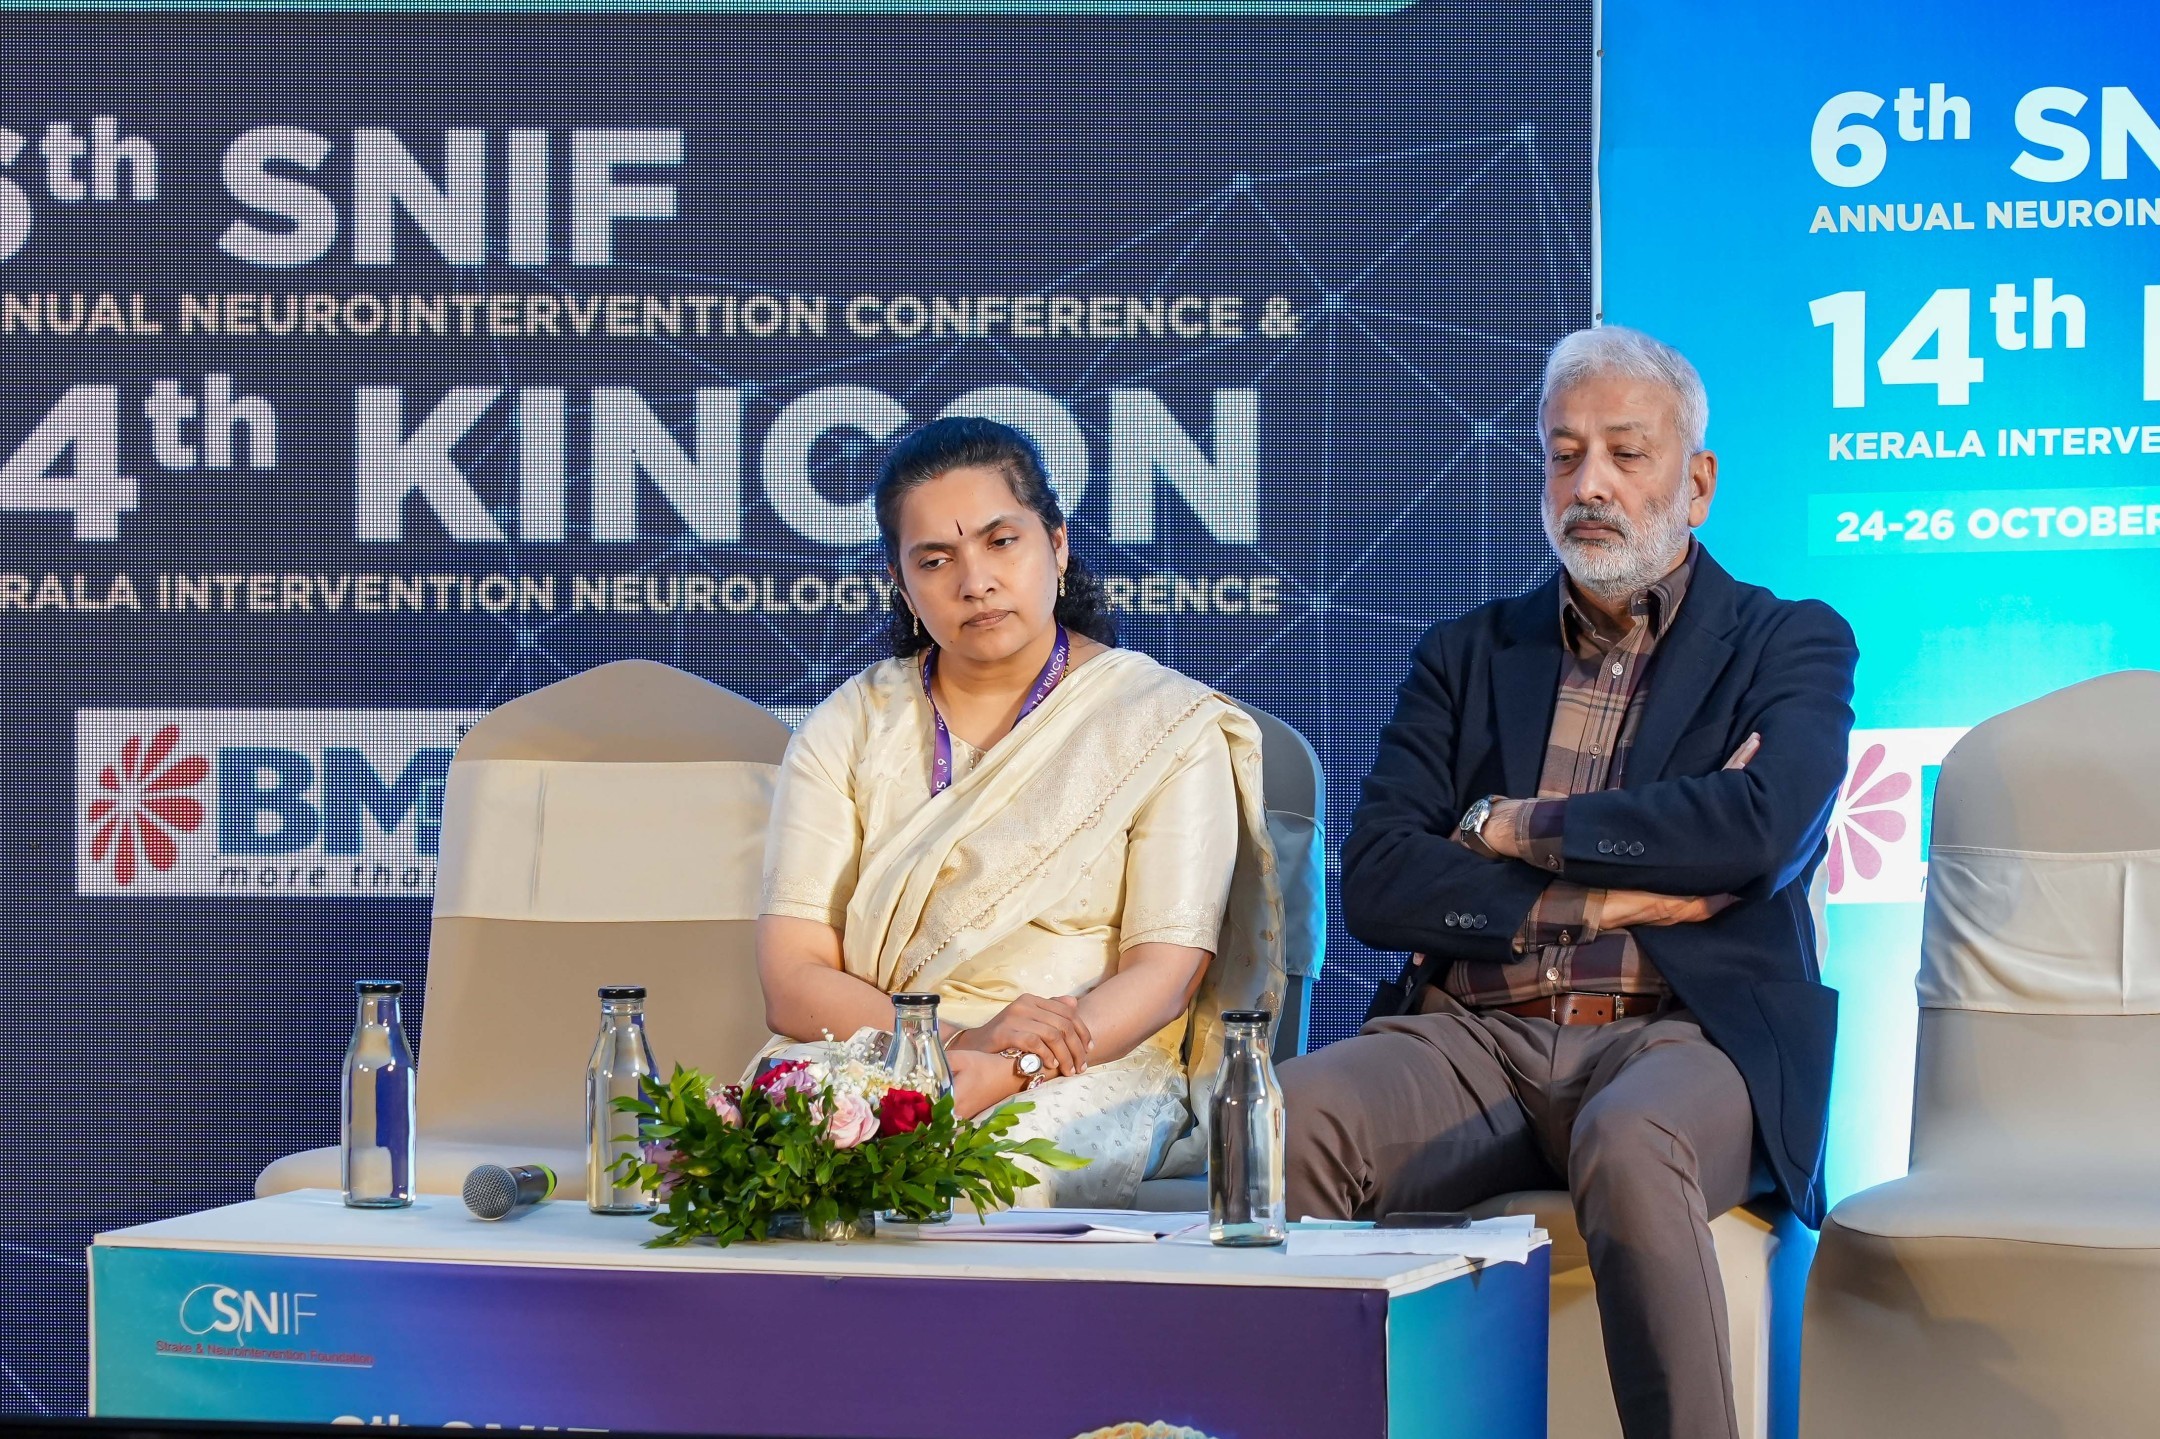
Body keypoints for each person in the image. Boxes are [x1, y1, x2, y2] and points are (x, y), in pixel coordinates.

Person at [1280, 326, 1857, 1439]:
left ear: (1697, 482)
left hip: (1682, 1034)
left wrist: (1512, 824)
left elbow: (1757, 828)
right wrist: (1613, 894)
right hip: (1472, 1037)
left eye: (1625, 454)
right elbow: (1382, 880)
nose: (1588, 484)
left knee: (1632, 1139)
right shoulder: (1465, 654)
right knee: (1290, 1114)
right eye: (1563, 454)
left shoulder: (1788, 641)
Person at [755, 415, 1284, 1207]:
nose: (975, 581)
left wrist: (1010, 1066)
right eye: (936, 560)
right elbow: (794, 979)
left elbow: (1165, 974)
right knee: (765, 1149)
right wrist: (951, 1045)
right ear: (901, 582)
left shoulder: (1160, 723)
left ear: (1057, 546)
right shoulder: (850, 725)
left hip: (1088, 1063)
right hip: (883, 1048)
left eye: (1002, 542)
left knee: (985, 1177)